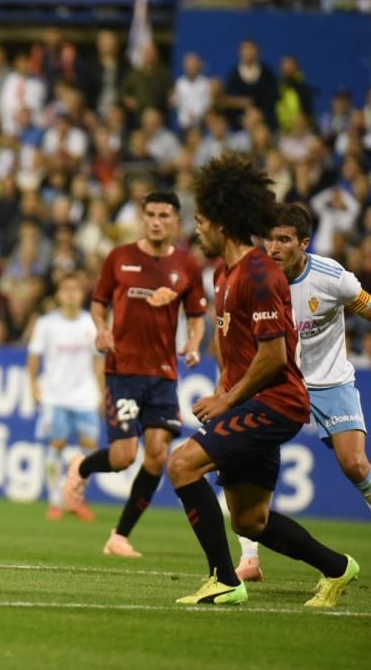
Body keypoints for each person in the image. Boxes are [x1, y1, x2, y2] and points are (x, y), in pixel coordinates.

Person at [169, 154, 357, 607]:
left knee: (182, 465)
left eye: (201, 221)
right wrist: (222, 388)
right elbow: (232, 343)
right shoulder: (225, 273)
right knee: (249, 522)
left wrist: (228, 399)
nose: (196, 230)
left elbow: (274, 357)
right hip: (247, 400)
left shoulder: (260, 273)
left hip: (277, 401)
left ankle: (224, 579)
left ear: (222, 222)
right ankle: (337, 567)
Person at [62, 191, 207, 557]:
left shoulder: (187, 267)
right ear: (143, 219)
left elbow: (197, 318)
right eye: (151, 215)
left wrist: (192, 344)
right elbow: (99, 303)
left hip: (162, 374)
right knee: (125, 456)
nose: (157, 221)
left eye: (164, 215)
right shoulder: (120, 257)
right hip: (123, 369)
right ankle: (82, 466)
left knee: (158, 455)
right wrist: (100, 328)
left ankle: (120, 536)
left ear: (176, 220)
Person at [235, 203, 371, 582]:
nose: (274, 248)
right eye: (270, 240)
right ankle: (249, 560)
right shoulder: (256, 280)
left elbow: (364, 304)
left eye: (284, 240)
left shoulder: (332, 277)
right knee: (246, 465)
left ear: (304, 243)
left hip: (329, 381)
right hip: (277, 384)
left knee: (356, 465)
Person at [28, 273, 103, 520]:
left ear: (82, 294)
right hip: (55, 396)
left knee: (90, 449)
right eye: (66, 289)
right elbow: (34, 357)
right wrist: (34, 387)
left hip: (85, 396)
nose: (71, 294)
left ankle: (76, 499)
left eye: (75, 289)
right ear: (59, 294)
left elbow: (97, 362)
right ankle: (55, 501)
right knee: (56, 445)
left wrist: (102, 393)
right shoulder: (46, 324)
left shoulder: (91, 324)